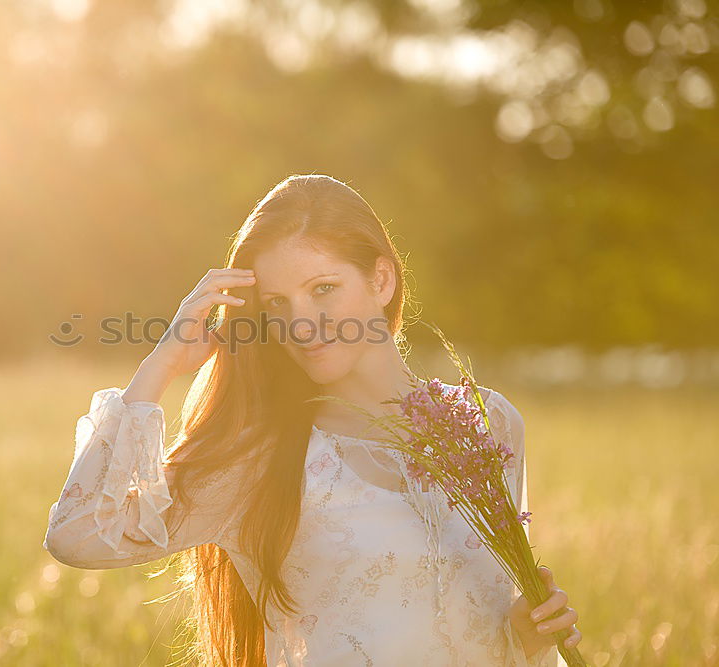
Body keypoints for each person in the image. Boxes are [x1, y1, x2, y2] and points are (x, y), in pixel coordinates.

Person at [43, 174, 582, 665]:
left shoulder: (483, 423)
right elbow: (79, 533)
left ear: (381, 281)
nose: (301, 324)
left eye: (323, 288)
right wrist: (161, 365)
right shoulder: (263, 456)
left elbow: (494, 621)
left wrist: (526, 632)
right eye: (277, 303)